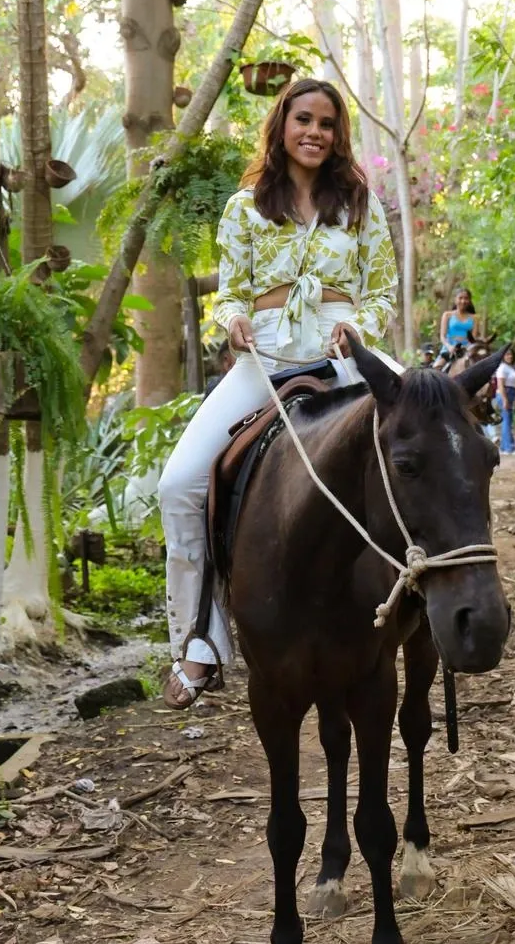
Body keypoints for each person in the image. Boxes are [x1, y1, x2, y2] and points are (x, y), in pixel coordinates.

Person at [157, 78, 399, 709]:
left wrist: (358, 327)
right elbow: (232, 292)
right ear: (282, 126)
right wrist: (230, 321)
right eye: (303, 120)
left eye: (326, 122)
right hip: (261, 356)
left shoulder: (358, 205)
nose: (314, 132)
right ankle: (199, 641)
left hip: (342, 350)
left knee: (430, 432)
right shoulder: (244, 208)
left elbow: (381, 292)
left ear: (337, 133)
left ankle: (434, 604)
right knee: (178, 483)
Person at [435, 288, 478, 367]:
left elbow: (473, 339)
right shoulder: (447, 315)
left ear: (469, 301)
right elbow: (442, 337)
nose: (463, 301)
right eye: (460, 298)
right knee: (436, 368)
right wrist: (449, 347)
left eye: (466, 298)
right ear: (455, 300)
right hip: (449, 349)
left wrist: (466, 348)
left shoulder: (474, 318)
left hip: (467, 350)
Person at [494, 345, 515, 456]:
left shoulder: (510, 367)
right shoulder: (502, 368)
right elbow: (500, 385)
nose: (509, 356)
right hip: (504, 394)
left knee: (508, 420)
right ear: (503, 356)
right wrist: (505, 399)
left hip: (511, 393)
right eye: (507, 354)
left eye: (511, 354)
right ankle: (508, 448)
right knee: (506, 421)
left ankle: (505, 446)